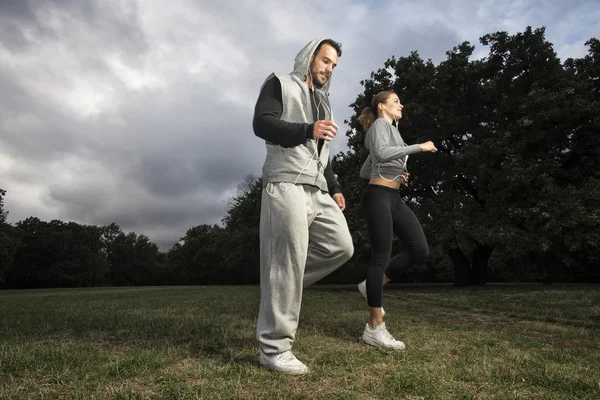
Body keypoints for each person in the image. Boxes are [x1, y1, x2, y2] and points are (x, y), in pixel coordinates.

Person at [252, 38, 354, 374]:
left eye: (334, 65)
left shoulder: (325, 104)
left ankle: (281, 286)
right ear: (310, 57)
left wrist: (335, 186)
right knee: (287, 261)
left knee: (341, 247)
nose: (329, 69)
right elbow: (262, 124)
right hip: (286, 182)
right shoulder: (280, 83)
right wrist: (307, 128)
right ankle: (274, 349)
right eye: (325, 61)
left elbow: (324, 152)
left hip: (318, 188)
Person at [356, 90, 437, 349]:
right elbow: (381, 153)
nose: (401, 105)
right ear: (382, 107)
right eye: (395, 101)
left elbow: (366, 169)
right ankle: (374, 327)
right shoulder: (380, 124)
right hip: (378, 196)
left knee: (419, 248)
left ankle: (371, 286)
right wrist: (419, 147)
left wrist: (396, 174)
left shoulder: (392, 130)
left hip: (393, 196)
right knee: (381, 256)